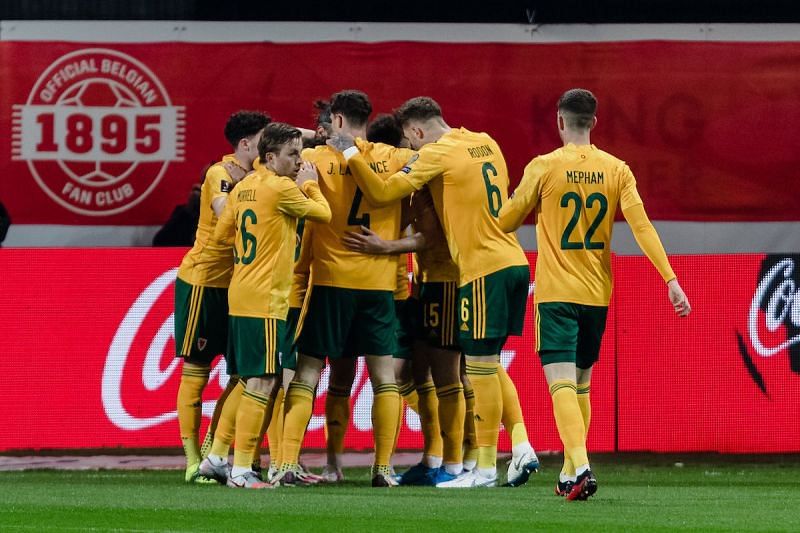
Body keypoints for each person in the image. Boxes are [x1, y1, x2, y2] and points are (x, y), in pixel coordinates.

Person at [331, 96, 539, 488]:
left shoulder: (436, 155)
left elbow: (381, 193)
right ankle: (518, 444)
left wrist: (351, 154)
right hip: (512, 260)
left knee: (469, 371)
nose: (411, 152)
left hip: (478, 267)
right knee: (483, 364)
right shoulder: (485, 141)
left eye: (411, 145)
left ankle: (478, 466)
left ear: (416, 131)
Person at [497, 88, 691, 500]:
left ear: (560, 121)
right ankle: (570, 471)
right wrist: (670, 279)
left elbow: (507, 220)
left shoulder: (544, 167)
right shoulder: (617, 169)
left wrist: (497, 205)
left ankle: (581, 465)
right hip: (597, 294)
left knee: (560, 384)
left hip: (555, 293)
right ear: (595, 123)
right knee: (582, 384)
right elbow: (642, 227)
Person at [277, 89, 415, 487]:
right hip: (378, 284)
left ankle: (287, 463)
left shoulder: (315, 158)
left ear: (335, 120)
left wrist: (319, 139)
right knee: (384, 378)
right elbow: (431, 158)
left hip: (330, 281)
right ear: (368, 119)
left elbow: (273, 139)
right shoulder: (394, 158)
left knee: (307, 374)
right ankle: (383, 468)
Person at [198, 122, 331, 489]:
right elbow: (324, 214)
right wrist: (311, 183)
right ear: (270, 157)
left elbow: (222, 235)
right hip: (268, 301)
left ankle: (215, 457)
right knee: (264, 381)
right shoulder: (282, 187)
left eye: (299, 154)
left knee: (245, 378)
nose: (299, 160)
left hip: (240, 294)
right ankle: (241, 470)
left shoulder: (243, 189)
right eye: (292, 154)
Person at [174, 110, 270, 484]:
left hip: (240, 285)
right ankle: (192, 461)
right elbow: (222, 212)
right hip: (204, 282)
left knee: (242, 373)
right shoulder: (220, 173)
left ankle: (217, 451)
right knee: (196, 373)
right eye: (264, 140)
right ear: (246, 144)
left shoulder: (261, 176)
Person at [152, 182, 202, 247]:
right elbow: (158, 240)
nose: (195, 194)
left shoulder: (209, 215)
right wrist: (187, 210)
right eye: (194, 190)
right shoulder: (180, 212)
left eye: (199, 191)